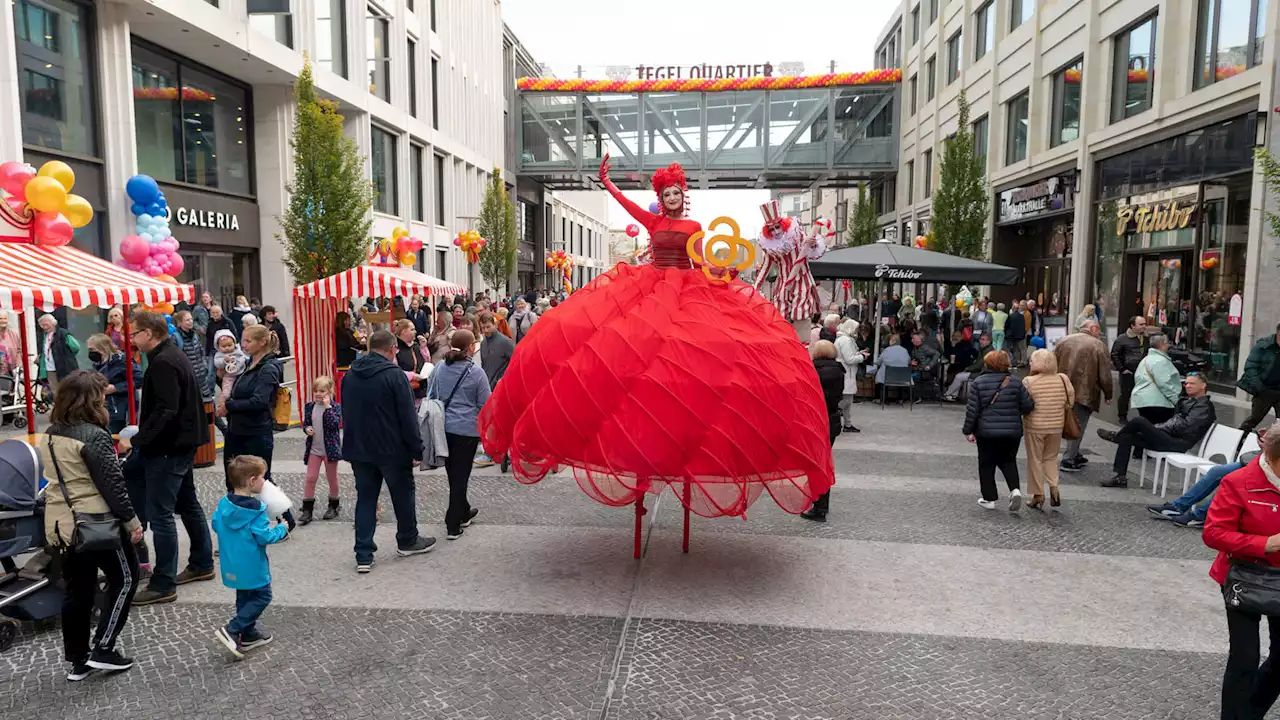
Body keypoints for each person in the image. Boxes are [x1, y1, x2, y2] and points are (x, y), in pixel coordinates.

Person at [478, 155, 834, 520]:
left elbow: (697, 259)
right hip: (650, 287)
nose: (671, 198)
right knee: (613, 346)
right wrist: (609, 183)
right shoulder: (653, 220)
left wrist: (717, 272)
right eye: (666, 193)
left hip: (685, 287)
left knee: (689, 355)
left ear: (684, 195)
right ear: (661, 196)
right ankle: (637, 456)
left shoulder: (694, 224)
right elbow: (627, 204)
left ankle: (676, 435)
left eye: (677, 193)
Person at [41, 370, 144, 681]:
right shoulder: (93, 435)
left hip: (61, 522)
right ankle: (104, 647)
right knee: (125, 578)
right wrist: (132, 521)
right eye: (100, 395)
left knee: (78, 589)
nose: (105, 399)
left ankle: (78, 660)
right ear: (91, 399)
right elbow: (112, 485)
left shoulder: (52, 432)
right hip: (96, 520)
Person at [127, 311, 213, 606]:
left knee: (162, 513)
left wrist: (139, 440)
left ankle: (163, 582)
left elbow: (166, 410)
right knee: (188, 504)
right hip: (180, 443)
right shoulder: (171, 354)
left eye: (135, 334)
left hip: (169, 446)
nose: (133, 340)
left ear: (149, 333)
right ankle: (202, 563)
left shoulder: (163, 360)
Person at [1202, 424, 1280, 719]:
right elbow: (1214, 533)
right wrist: (1264, 544)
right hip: (1243, 576)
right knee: (1245, 658)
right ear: (1271, 457)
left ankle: (1251, 712)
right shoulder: (1239, 482)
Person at [342, 330, 434, 572]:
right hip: (391, 448)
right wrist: (417, 448)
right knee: (403, 494)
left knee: (366, 498)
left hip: (360, 447)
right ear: (393, 348)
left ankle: (363, 553)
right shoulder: (394, 376)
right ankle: (407, 538)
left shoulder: (351, 374)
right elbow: (407, 417)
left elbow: (346, 412)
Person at [211, 455, 289, 658]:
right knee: (263, 596)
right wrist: (282, 529)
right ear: (252, 481)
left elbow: (216, 524)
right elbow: (264, 537)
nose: (265, 481)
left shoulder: (224, 503)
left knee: (244, 597)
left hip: (231, 563)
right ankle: (233, 629)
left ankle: (248, 634)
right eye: (263, 477)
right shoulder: (256, 511)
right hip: (252, 565)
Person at [1097, 373, 1216, 488]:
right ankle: (1120, 477)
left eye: (1192, 383)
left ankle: (1115, 436)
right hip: (1169, 437)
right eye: (1186, 383)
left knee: (1139, 421)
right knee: (1127, 437)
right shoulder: (1188, 401)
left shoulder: (1204, 406)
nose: (1188, 386)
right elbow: (1175, 422)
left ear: (1203, 386)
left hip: (1178, 443)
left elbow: (1184, 427)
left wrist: (1157, 428)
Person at [428, 331, 490, 539]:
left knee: (453, 473)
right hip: (466, 430)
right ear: (471, 347)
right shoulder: (476, 373)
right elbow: (485, 405)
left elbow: (432, 395)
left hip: (443, 427)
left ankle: (463, 512)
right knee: (460, 476)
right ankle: (452, 523)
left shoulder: (439, 368)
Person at [1149, 425, 1268, 528]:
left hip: (1271, 467)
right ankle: (1178, 506)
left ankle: (1201, 515)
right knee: (1216, 472)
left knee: (1232, 480)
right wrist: (1266, 439)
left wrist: (1270, 444)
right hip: (1262, 460)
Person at [963, 351, 1034, 511]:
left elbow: (972, 410)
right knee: (1009, 460)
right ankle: (1015, 490)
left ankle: (989, 498)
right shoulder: (1016, 382)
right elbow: (1027, 406)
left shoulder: (978, 382)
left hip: (986, 432)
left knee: (986, 464)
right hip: (1012, 432)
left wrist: (968, 430)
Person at [217, 325, 284, 484]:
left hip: (255, 432)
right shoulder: (247, 363)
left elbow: (259, 401)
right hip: (237, 430)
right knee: (234, 481)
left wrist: (229, 406)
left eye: (248, 341)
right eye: (242, 340)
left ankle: (280, 509)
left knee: (261, 482)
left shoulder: (268, 368)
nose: (244, 344)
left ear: (262, 342)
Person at [1054, 320, 1114, 472]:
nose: (1099, 333)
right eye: (1098, 330)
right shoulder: (1097, 345)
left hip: (1063, 388)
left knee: (1069, 421)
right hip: (1084, 390)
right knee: (1078, 424)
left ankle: (1074, 453)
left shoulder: (1064, 341)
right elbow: (1105, 374)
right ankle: (1069, 458)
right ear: (1092, 329)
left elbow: (1052, 362)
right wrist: (1108, 393)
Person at [1021, 349, 1074, 509]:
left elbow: (1024, 405)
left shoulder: (1028, 381)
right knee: (1051, 458)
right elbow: (1070, 402)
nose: (1030, 363)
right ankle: (1054, 487)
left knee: (1035, 459)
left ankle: (1038, 494)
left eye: (1031, 361)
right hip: (1056, 426)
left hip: (1035, 427)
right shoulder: (1062, 378)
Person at [801, 340, 844, 522]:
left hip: (815, 422)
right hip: (832, 421)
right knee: (824, 462)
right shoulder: (839, 371)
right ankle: (821, 504)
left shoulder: (812, 371)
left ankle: (819, 507)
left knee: (816, 465)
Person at [300, 376, 343, 525]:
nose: (318, 394)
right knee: (310, 477)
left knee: (332, 478)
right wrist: (307, 429)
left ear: (330, 391)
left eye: (322, 391)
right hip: (314, 449)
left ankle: (334, 504)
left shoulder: (335, 407)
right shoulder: (310, 407)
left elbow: (335, 424)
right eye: (316, 391)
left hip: (330, 450)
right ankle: (307, 508)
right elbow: (305, 423)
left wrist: (328, 408)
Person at [87, 334, 141, 434]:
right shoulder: (97, 364)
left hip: (121, 408)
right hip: (104, 407)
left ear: (103, 348)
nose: (90, 353)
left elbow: (138, 380)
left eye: (92, 349)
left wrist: (116, 388)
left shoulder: (123, 361)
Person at [1238, 322, 1280, 435]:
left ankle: (1276, 446)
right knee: (1255, 418)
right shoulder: (1263, 346)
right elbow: (1250, 367)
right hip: (1264, 389)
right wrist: (1259, 388)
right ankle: (1238, 439)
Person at [1130, 334, 1181, 425]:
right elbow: (1165, 384)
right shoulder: (1160, 361)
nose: (1168, 345)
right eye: (1167, 343)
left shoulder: (1145, 360)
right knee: (1159, 431)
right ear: (1163, 344)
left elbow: (1137, 378)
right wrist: (1176, 401)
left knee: (1147, 429)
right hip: (1158, 402)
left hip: (1143, 400)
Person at [1111, 315, 1150, 421]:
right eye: (1141, 324)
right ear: (1133, 326)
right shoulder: (1122, 338)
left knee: (1144, 395)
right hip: (1128, 372)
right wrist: (1122, 369)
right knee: (1125, 395)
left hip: (1144, 372)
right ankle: (1122, 416)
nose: (1144, 326)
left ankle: (1144, 418)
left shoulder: (1147, 338)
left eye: (1145, 324)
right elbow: (1115, 355)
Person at [834, 319, 866, 433]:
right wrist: (862, 357)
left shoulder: (843, 339)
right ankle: (834, 415)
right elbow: (849, 359)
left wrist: (859, 354)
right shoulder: (846, 341)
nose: (857, 331)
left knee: (848, 400)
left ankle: (847, 423)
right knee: (846, 401)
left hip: (846, 372)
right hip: (847, 373)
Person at [172, 311, 211, 403]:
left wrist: (204, 365)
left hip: (201, 378)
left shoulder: (195, 335)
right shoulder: (175, 338)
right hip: (188, 379)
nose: (190, 322)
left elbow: (201, 352)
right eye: (187, 320)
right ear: (179, 323)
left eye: (191, 319)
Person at [943, 332, 990, 402]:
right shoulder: (983, 349)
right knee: (954, 373)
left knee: (959, 376)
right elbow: (946, 354)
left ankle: (948, 394)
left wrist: (968, 368)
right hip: (958, 366)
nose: (981, 341)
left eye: (983, 339)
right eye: (980, 339)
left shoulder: (986, 351)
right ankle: (953, 395)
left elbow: (978, 364)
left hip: (978, 371)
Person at [38, 314, 80, 392]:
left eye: (46, 325)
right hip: (50, 369)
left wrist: (67, 356)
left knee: (68, 390)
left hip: (65, 368)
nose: (44, 327)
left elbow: (76, 347)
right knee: (56, 392)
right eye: (42, 325)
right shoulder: (44, 336)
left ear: (53, 323)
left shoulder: (63, 333)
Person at [393, 319, 429, 403]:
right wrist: (412, 376)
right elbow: (394, 370)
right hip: (405, 391)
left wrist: (423, 347)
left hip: (421, 390)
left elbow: (426, 362)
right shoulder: (395, 348)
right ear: (403, 332)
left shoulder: (416, 345)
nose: (415, 332)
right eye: (412, 329)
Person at [1004, 302, 1028, 367]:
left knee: (1016, 349)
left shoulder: (1010, 316)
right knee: (1023, 349)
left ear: (1013, 308)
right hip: (1021, 334)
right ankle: (1023, 361)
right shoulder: (1022, 316)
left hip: (1013, 335)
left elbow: (1007, 325)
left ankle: (1017, 361)